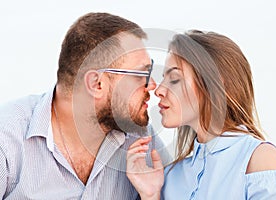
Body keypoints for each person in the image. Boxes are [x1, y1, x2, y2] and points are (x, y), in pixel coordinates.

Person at [0, 12, 170, 199]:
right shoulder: (7, 138)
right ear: (97, 84)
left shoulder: (141, 140)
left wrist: (152, 196)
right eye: (141, 74)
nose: (153, 85)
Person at [126, 30, 276, 199]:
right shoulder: (169, 177)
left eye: (174, 79)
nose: (159, 90)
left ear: (212, 85)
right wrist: (151, 195)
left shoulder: (260, 160)